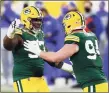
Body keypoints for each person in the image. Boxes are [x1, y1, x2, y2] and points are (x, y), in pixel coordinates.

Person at [24, 11, 108, 92]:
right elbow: (77, 67)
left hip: (93, 85)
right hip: (99, 82)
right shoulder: (91, 36)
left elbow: (55, 58)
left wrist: (38, 51)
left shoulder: (75, 37)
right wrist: (58, 64)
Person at [3, 6, 74, 92]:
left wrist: (70, 68)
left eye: (39, 20)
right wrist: (9, 35)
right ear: (26, 20)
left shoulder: (39, 34)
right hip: (24, 79)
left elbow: (48, 57)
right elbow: (8, 46)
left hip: (40, 79)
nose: (38, 22)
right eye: (35, 20)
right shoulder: (19, 34)